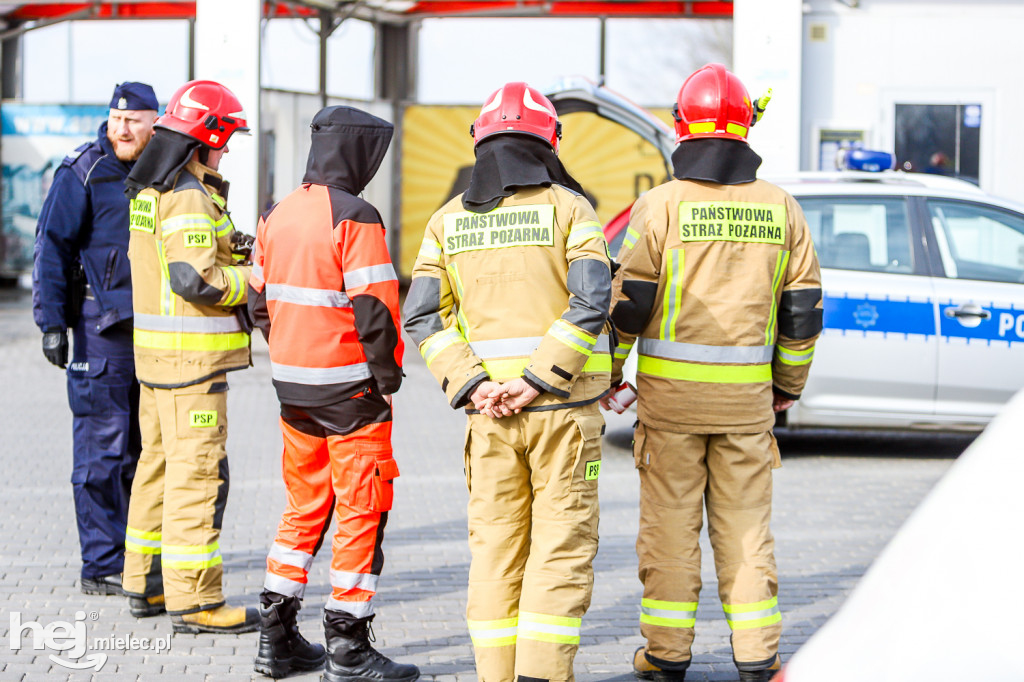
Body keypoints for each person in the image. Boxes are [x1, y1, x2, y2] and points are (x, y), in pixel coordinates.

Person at [606, 64, 822, 682]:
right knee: (747, 532)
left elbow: (629, 303)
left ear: (684, 127)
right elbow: (802, 312)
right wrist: (787, 386)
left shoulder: (660, 206)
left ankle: (666, 657)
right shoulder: (781, 208)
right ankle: (758, 658)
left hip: (670, 408)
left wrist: (611, 373)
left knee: (670, 535)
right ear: (745, 127)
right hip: (747, 410)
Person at [404, 82, 613, 682]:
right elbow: (592, 299)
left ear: (481, 141)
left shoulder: (445, 222)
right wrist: (538, 380)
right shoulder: (571, 209)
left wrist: (473, 386)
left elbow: (421, 316)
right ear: (549, 141)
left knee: (495, 553)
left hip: (487, 419)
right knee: (560, 550)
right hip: (562, 415)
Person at [247, 105, 417, 682]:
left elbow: (256, 303)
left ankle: (278, 641)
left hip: (293, 392)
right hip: (352, 396)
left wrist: (294, 350)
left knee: (304, 509)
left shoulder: (275, 214)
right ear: (358, 155)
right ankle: (347, 649)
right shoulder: (356, 215)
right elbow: (377, 311)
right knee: (362, 513)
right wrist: (387, 379)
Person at [121, 79, 257, 634]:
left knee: (155, 470)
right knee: (198, 478)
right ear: (207, 136)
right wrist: (256, 281)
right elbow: (193, 278)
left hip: (156, 365)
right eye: (224, 141)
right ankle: (196, 600)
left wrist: (242, 247)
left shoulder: (153, 189)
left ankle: (146, 584)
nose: (225, 152)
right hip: (191, 368)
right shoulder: (188, 194)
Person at [31, 82, 159, 596]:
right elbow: (51, 247)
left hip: (150, 332)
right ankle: (101, 563)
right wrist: (51, 323)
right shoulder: (82, 170)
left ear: (155, 123)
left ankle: (134, 552)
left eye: (133, 121)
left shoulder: (162, 170)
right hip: (95, 329)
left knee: (142, 452)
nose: (121, 129)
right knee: (101, 454)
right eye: (115, 119)